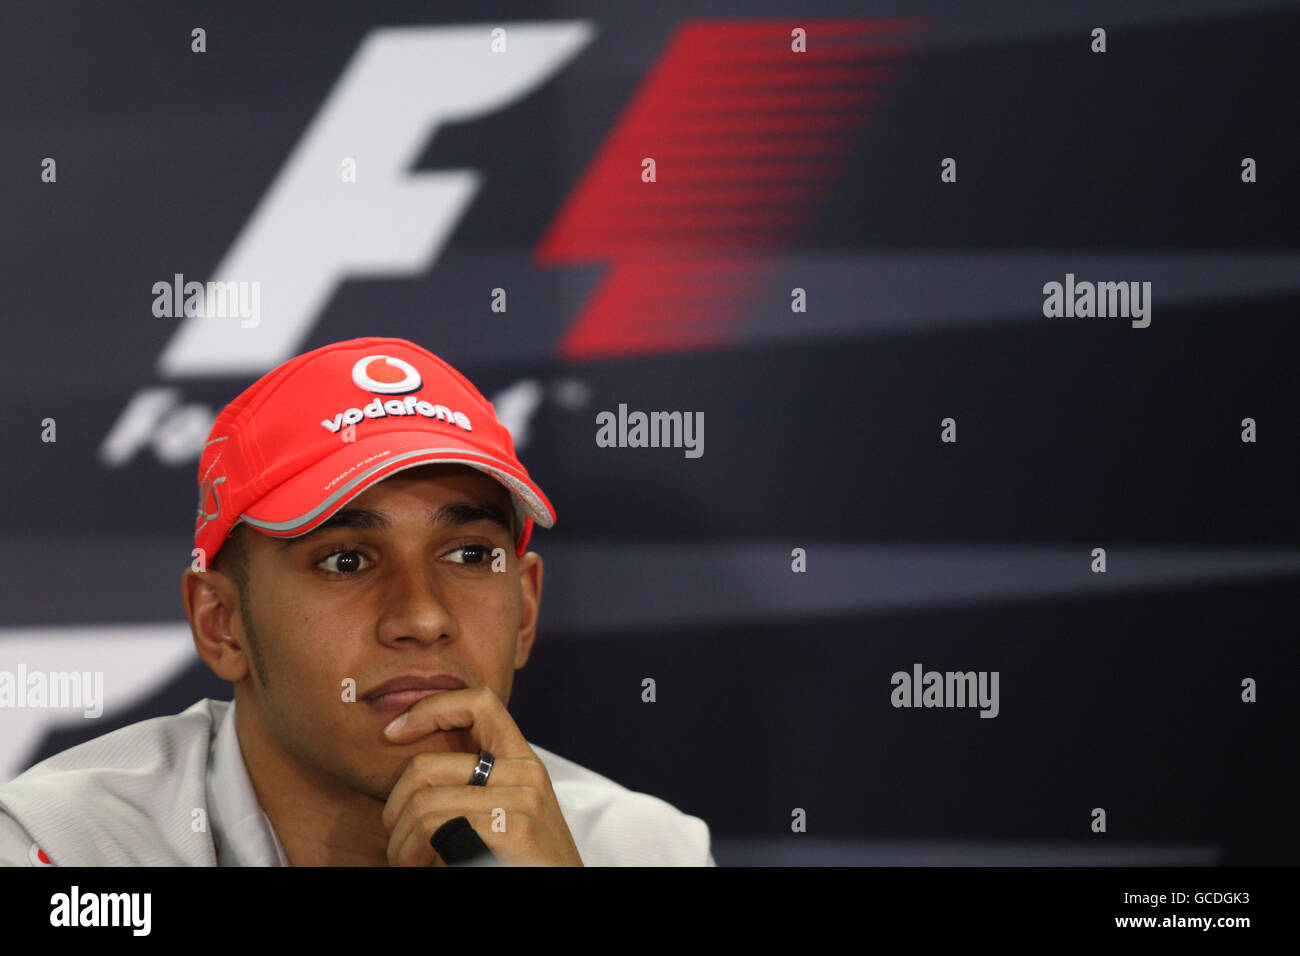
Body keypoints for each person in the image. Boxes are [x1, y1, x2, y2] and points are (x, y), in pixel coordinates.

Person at [0, 337, 714, 866]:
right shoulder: (66, 847)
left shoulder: (641, 849)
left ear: (525, 610)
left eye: (468, 556)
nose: (423, 617)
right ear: (222, 626)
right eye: (346, 561)